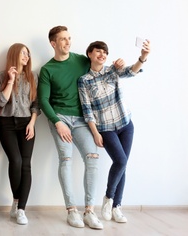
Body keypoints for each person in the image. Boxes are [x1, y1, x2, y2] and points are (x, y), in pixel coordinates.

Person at [38, 26, 105, 230]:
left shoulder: (81, 61)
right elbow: (43, 100)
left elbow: (100, 68)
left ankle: (90, 211)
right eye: (63, 39)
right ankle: (71, 210)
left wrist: (121, 64)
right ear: (53, 43)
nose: (68, 42)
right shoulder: (47, 69)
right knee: (66, 159)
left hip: (82, 119)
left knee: (92, 158)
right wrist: (57, 122)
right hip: (60, 118)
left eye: (69, 38)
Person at [78, 40, 151, 224]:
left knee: (122, 165)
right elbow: (87, 111)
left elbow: (131, 71)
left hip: (126, 124)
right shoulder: (84, 81)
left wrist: (143, 57)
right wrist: (95, 133)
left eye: (105, 52)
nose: (102, 55)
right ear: (90, 54)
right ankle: (109, 198)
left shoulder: (113, 69)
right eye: (98, 51)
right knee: (121, 160)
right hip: (106, 128)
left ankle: (115, 205)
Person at [0, 43, 40, 225]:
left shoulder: (32, 77)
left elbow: (36, 104)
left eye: (28, 54)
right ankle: (16, 201)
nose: (26, 57)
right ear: (14, 54)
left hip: (27, 123)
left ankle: (21, 209)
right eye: (23, 53)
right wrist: (11, 80)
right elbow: (0, 101)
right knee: (16, 161)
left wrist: (32, 123)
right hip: (6, 123)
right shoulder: (1, 76)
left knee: (26, 164)